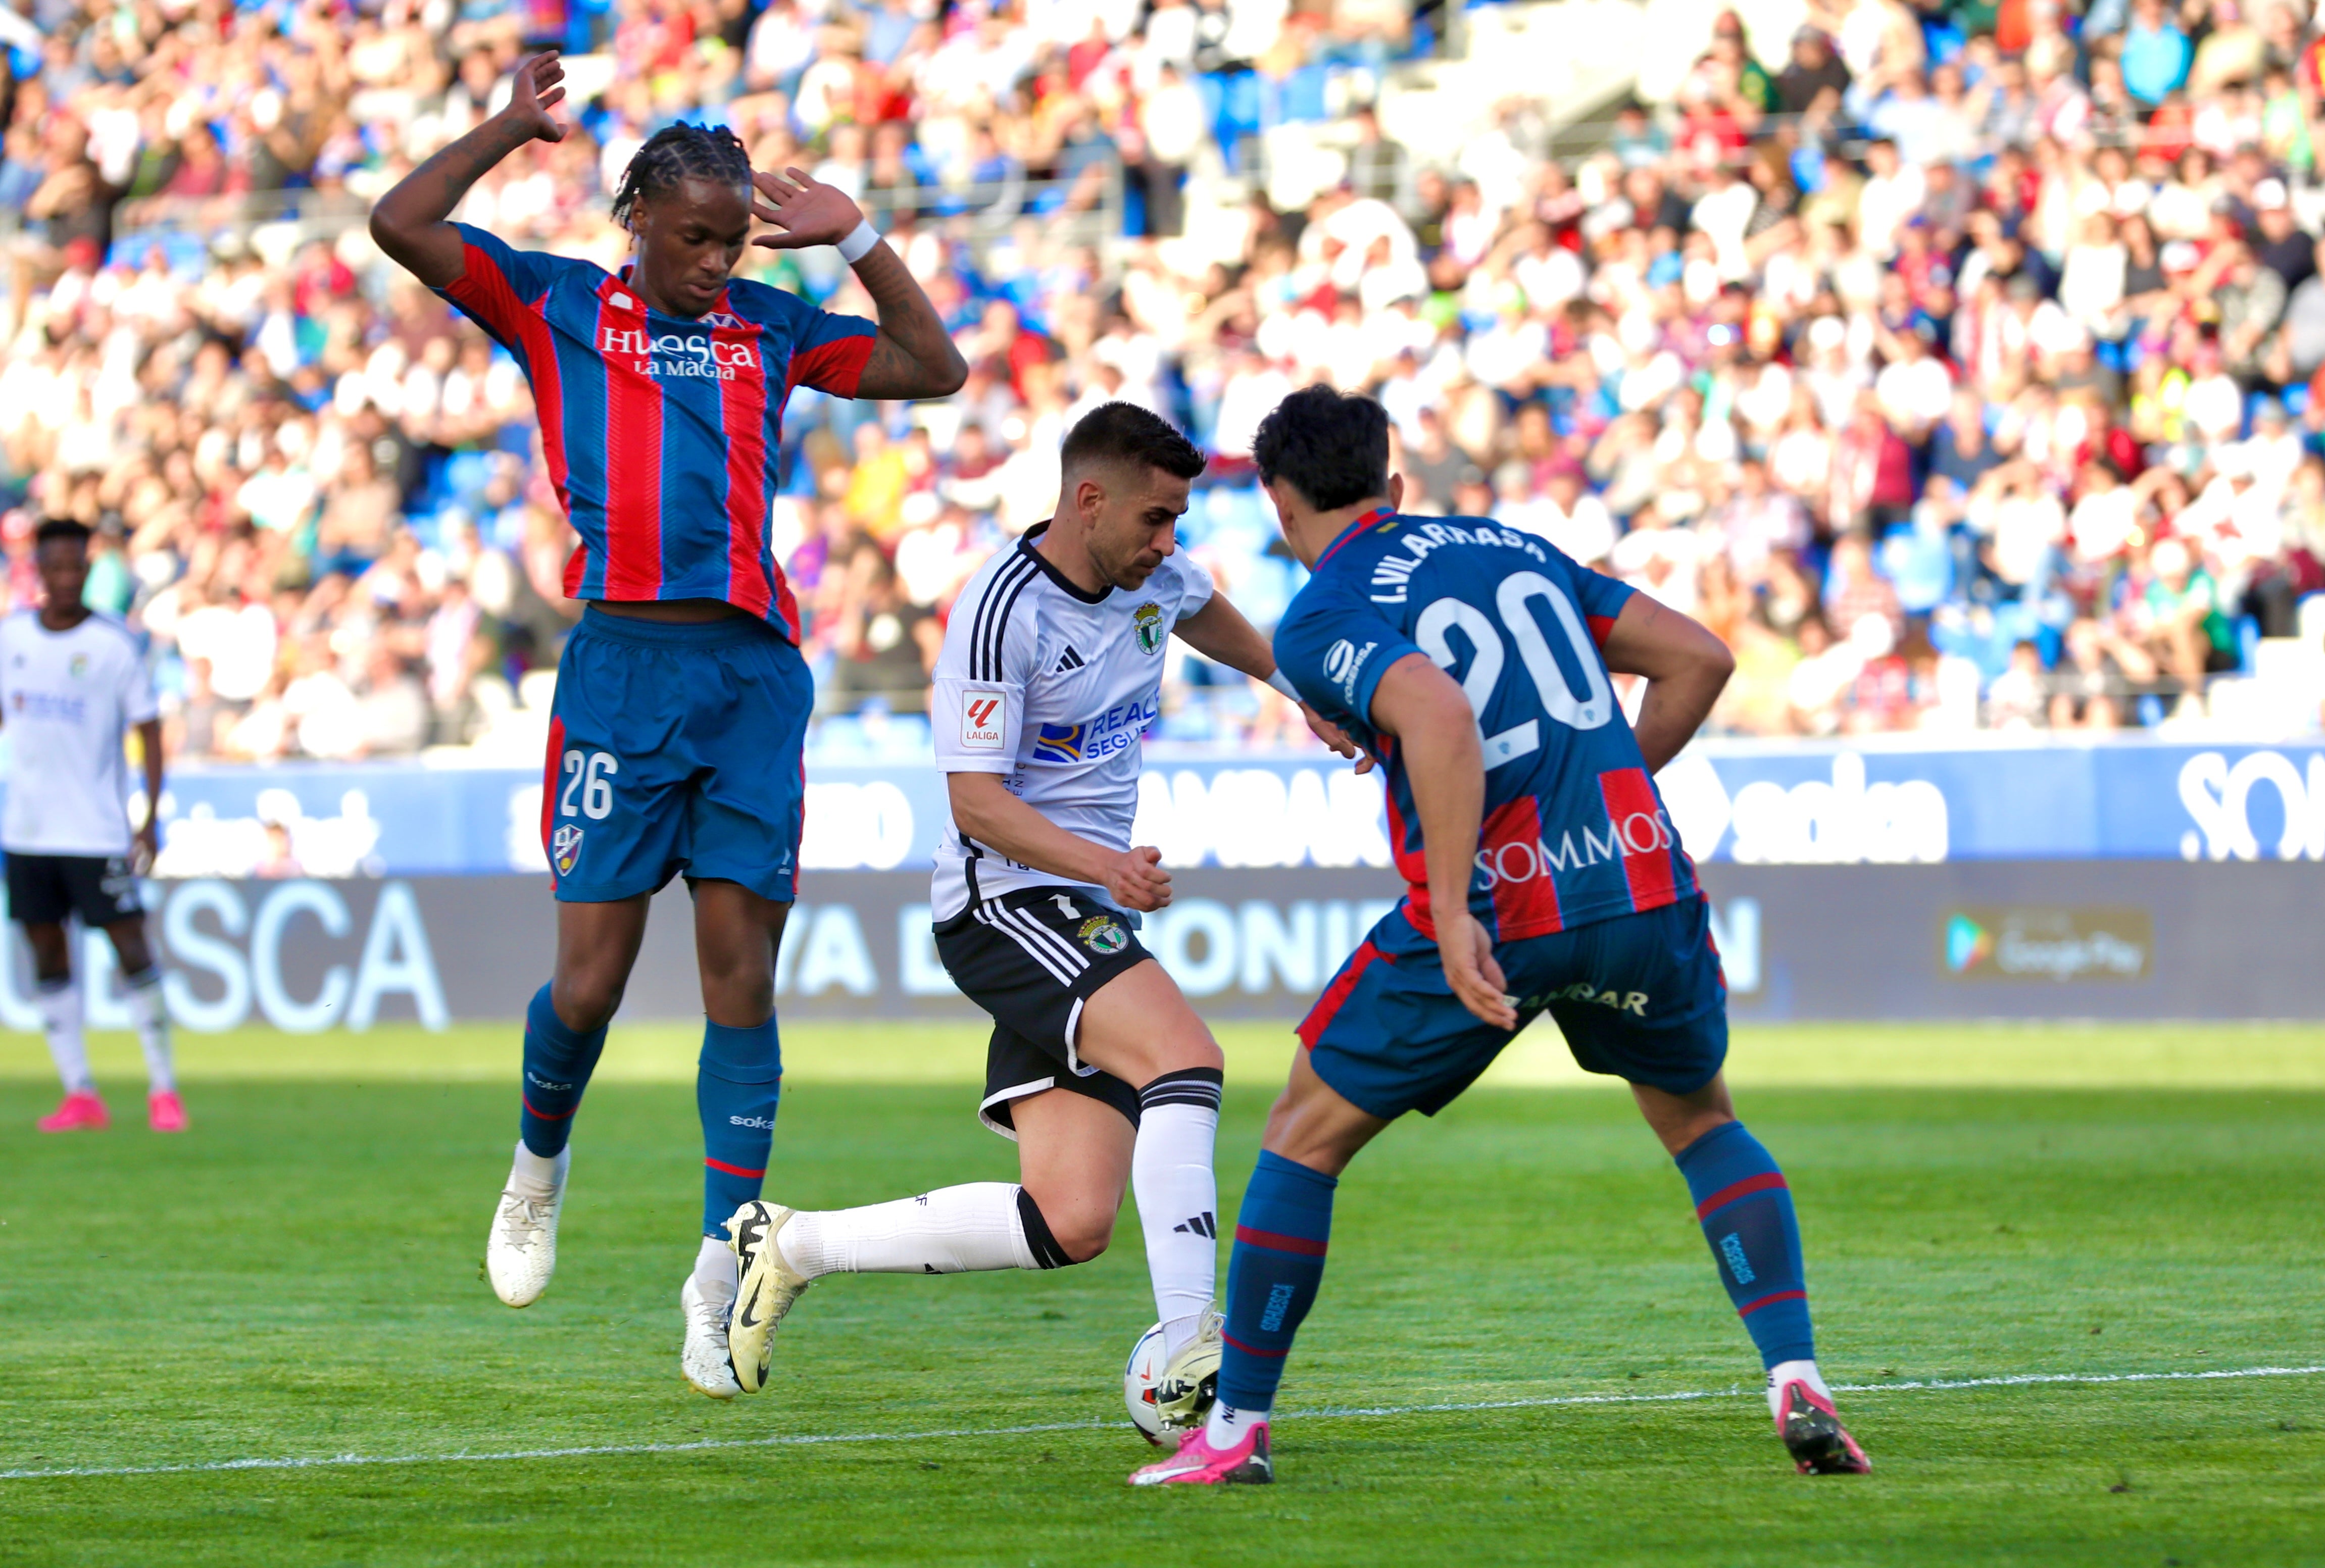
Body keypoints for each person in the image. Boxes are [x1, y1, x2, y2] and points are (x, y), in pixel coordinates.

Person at [1132, 387, 1870, 1486]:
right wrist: (1597, 801)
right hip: (1640, 881)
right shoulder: (1515, 547)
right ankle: (1793, 1371)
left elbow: (1435, 714)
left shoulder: (1327, 610)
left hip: (1500, 905)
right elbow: (1701, 659)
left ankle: (1234, 1430)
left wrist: (1450, 894)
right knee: (1702, 1123)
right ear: (1392, 485)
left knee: (1300, 1136)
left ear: (1279, 504)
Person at [366, 52, 966, 1395]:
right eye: (692, 236)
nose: (712, 261)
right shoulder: (557, 303)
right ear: (634, 217)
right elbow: (399, 225)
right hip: (620, 677)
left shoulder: (774, 323)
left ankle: (721, 1265)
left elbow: (938, 365)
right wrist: (511, 129)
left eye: (732, 237)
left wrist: (855, 237)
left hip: (750, 680)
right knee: (586, 983)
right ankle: (537, 1164)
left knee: (739, 980)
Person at [723, 402, 1365, 1413]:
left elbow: (1201, 607)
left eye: (1179, 521)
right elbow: (975, 804)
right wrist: (1103, 867)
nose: (1171, 543)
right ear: (1087, 500)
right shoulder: (1000, 613)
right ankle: (1196, 1338)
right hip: (1005, 898)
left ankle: (794, 1243)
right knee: (1185, 1058)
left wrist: (1295, 687)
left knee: (1069, 1219)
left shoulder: (1150, 572)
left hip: (1078, 898)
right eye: (1156, 519)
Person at [1, 519, 183, 1134]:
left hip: (96, 831)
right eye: (52, 566)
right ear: (37, 570)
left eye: (74, 566)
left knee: (131, 947)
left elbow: (149, 728)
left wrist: (150, 816)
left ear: (87, 567)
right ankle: (80, 1091)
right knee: (46, 951)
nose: (64, 578)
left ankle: (164, 1088)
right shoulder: (11, 639)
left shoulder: (112, 645)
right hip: (27, 832)